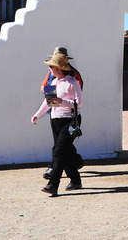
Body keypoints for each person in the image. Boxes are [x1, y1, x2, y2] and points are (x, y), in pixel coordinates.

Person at [31, 53, 83, 196]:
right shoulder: (53, 83)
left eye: (51, 67)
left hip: (70, 121)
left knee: (58, 151)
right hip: (55, 120)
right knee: (64, 152)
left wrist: (62, 102)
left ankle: (53, 184)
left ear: (58, 68)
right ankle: (76, 181)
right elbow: (49, 102)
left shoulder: (73, 82)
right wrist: (38, 114)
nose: (49, 70)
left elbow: (79, 104)